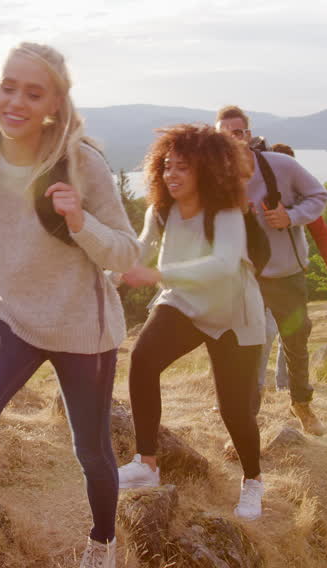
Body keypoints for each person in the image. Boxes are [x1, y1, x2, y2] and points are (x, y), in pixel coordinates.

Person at [0, 42, 139, 568]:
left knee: (91, 452)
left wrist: (80, 222)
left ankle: (102, 543)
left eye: (33, 92)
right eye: (8, 87)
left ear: (54, 103)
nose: (15, 102)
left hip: (82, 329)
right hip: (11, 317)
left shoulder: (82, 164)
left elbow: (126, 251)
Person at [117, 123, 269, 520]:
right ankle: (146, 464)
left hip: (233, 312)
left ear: (205, 169)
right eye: (167, 166)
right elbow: (137, 252)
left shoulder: (226, 212)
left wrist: (159, 275)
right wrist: (106, 272)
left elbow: (222, 265)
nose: (171, 175)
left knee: (234, 411)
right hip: (184, 302)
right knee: (143, 359)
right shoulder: (161, 211)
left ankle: (252, 481)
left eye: (182, 168)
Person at [214, 107, 327, 435]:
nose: (232, 139)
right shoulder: (215, 176)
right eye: (224, 133)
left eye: (237, 132)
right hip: (244, 276)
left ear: (248, 136)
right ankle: (246, 420)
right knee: (245, 347)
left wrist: (290, 216)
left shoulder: (282, 166)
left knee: (295, 341)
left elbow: (319, 196)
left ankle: (302, 406)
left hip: (285, 274)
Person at [264, 142, 327, 394]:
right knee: (260, 332)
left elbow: (321, 233)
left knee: (294, 332)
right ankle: (249, 389)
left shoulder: (300, 200)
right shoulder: (253, 194)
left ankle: (285, 387)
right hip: (256, 278)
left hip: (289, 278)